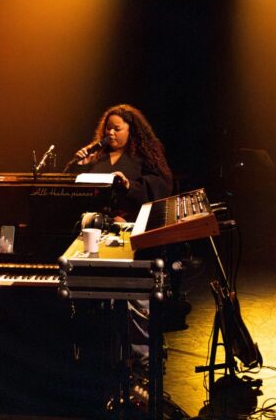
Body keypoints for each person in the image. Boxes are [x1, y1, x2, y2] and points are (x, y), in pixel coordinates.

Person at [71, 104, 173, 390]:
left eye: (118, 128)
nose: (111, 133)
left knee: (134, 300)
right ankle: (100, 361)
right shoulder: (97, 156)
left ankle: (142, 364)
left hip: (132, 236)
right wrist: (78, 167)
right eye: (109, 128)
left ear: (132, 130)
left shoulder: (143, 157)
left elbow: (161, 188)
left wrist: (130, 189)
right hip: (93, 235)